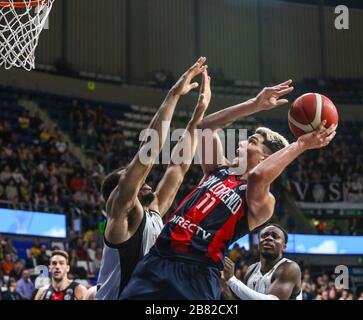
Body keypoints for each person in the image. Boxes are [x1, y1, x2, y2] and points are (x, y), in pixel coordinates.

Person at [120, 80, 337, 300]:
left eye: (251, 141)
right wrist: (254, 104)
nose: (240, 143)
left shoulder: (263, 200)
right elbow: (204, 127)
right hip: (158, 259)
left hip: (197, 274)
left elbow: (257, 176)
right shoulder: (218, 170)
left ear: (265, 157)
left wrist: (300, 145)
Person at [95, 57, 211, 300]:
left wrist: (198, 115)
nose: (146, 182)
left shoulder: (153, 211)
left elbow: (178, 168)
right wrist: (173, 95)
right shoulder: (123, 217)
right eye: (133, 180)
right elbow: (149, 151)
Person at [222, 224, 302, 300]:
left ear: (284, 246)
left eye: (275, 236)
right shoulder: (251, 269)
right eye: (264, 235)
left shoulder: (290, 268)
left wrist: (232, 280)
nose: (269, 238)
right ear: (258, 243)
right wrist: (225, 286)